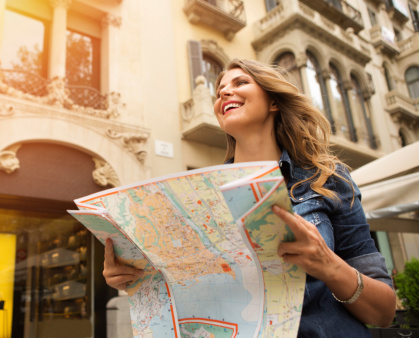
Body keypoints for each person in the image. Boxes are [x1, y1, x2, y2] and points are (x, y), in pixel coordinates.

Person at [103, 59, 396, 336]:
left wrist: (329, 265)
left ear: (272, 101)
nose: (224, 93)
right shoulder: (197, 197)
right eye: (219, 92)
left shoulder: (329, 180)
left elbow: (383, 313)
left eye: (241, 82)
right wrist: (139, 280)